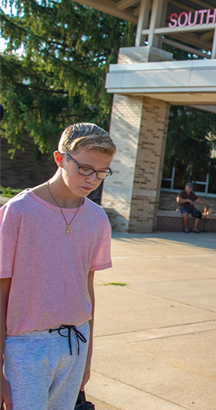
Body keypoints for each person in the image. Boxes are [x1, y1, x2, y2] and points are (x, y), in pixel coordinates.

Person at [0, 123, 116, 409]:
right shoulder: (19, 211)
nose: (92, 179)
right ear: (59, 158)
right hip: (24, 347)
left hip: (75, 342)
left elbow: (87, 290)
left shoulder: (97, 218)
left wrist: (87, 357)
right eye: (85, 168)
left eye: (102, 173)